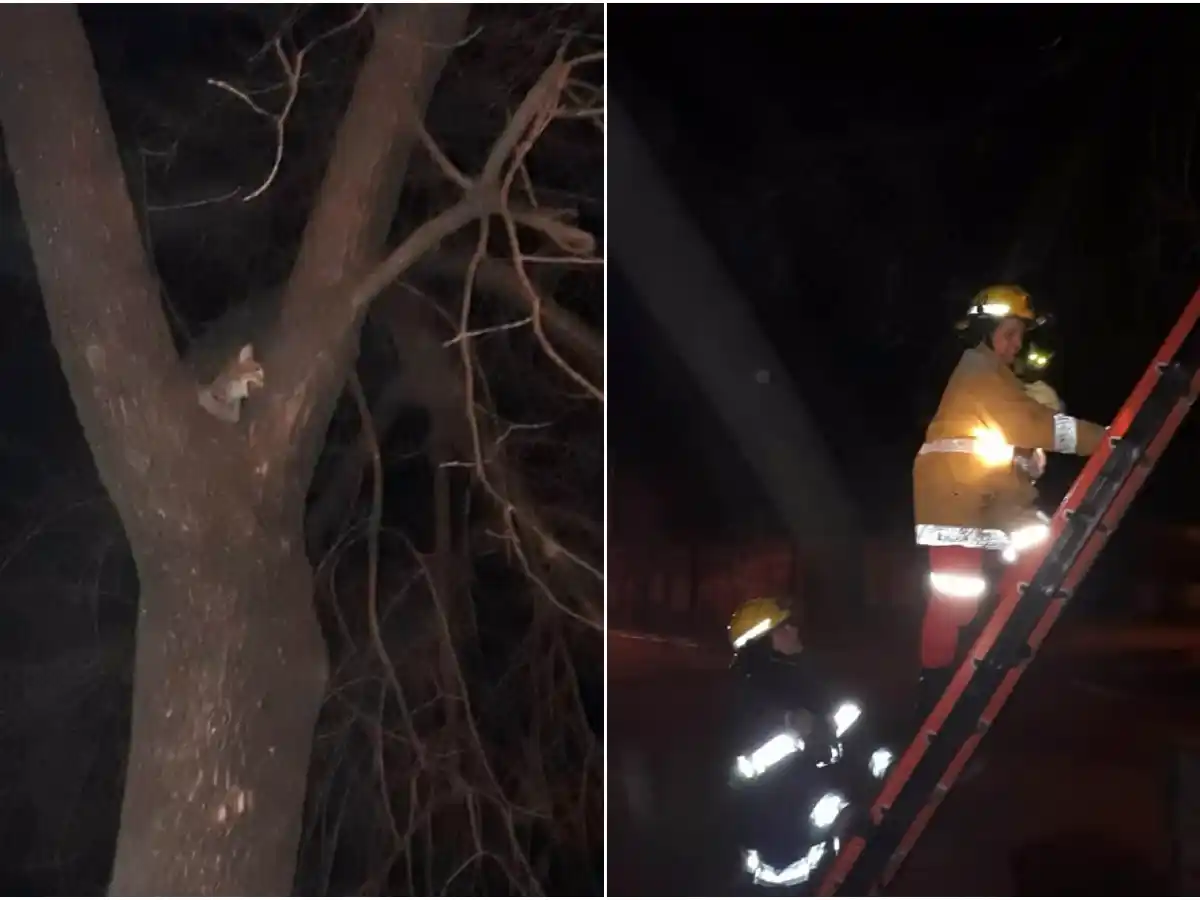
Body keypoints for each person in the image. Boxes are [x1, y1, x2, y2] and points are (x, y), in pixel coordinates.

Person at [911, 285, 1107, 723]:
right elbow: (1033, 424)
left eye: (1021, 336)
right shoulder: (978, 373)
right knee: (954, 597)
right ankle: (933, 686)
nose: (1017, 344)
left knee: (1039, 540)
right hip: (953, 496)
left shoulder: (1001, 380)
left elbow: (1014, 455)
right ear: (985, 331)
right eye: (1010, 333)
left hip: (987, 493)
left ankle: (1003, 627)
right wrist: (1107, 440)